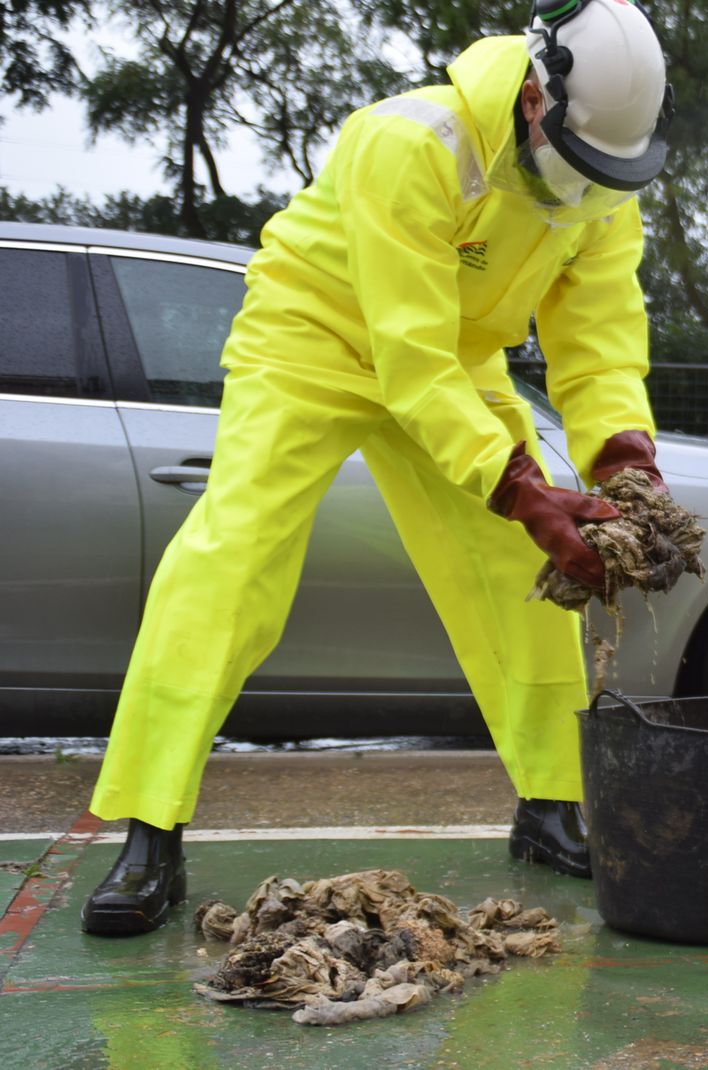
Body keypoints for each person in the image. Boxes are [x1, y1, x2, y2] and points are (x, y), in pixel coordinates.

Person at [80, 0, 677, 935]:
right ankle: (148, 828)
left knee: (511, 570)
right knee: (231, 557)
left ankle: (551, 804)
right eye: (581, 162)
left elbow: (598, 342)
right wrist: (521, 486)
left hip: (456, 351)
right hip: (314, 336)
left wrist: (626, 461)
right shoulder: (409, 142)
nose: (586, 190)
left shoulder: (600, 182)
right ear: (533, 99)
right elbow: (408, 356)